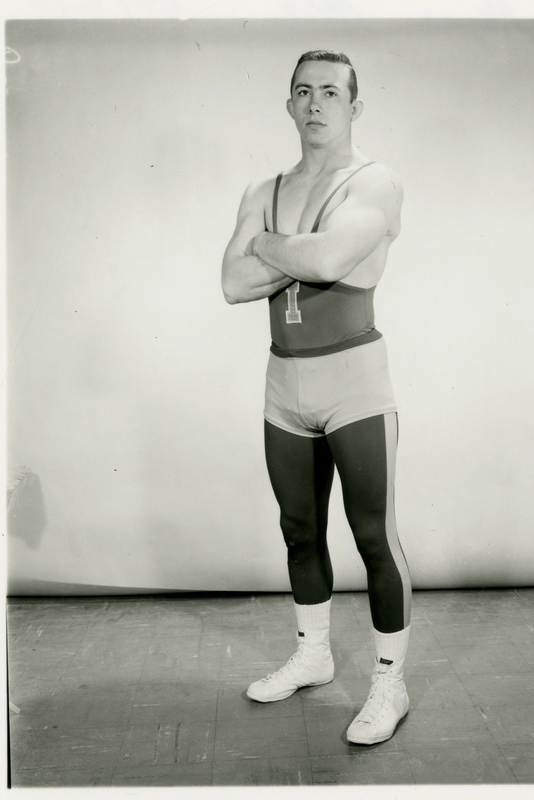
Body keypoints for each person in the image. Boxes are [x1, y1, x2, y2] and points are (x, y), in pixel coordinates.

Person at [221, 50, 412, 746]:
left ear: (354, 106)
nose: (315, 104)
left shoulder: (376, 182)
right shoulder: (261, 187)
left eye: (331, 92)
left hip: (354, 383)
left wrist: (266, 246)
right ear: (289, 104)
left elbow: (331, 263)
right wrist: (294, 249)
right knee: (299, 530)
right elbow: (231, 285)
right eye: (302, 91)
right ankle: (314, 653)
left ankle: (390, 682)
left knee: (373, 538)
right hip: (284, 384)